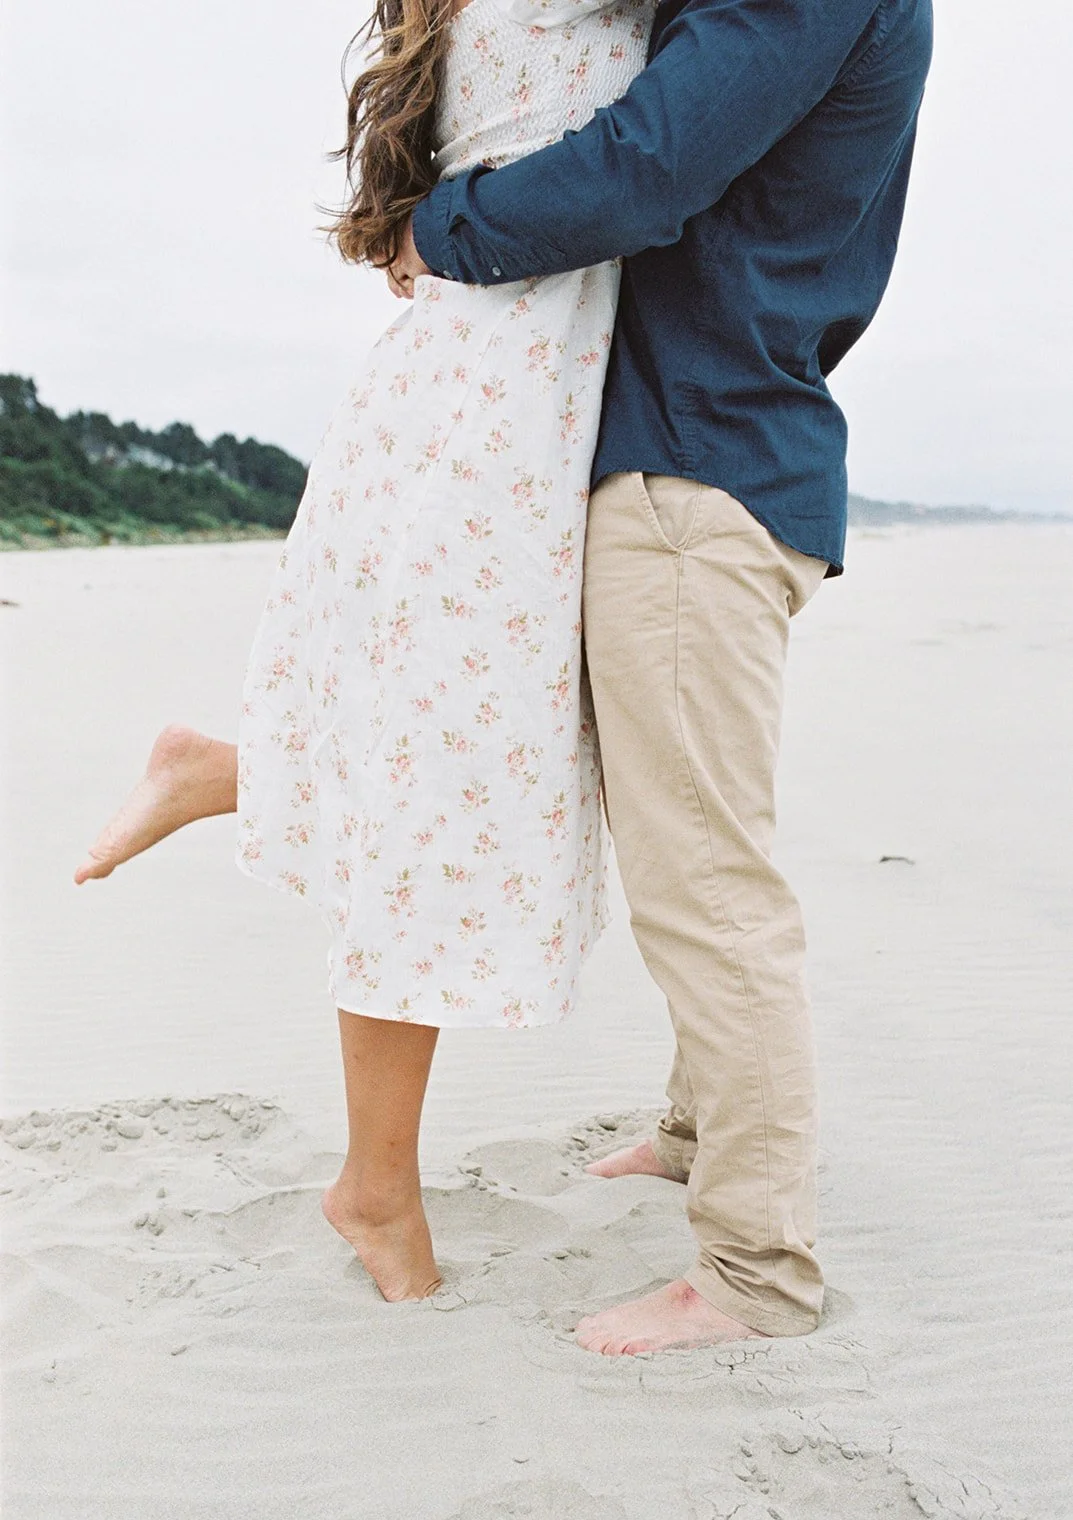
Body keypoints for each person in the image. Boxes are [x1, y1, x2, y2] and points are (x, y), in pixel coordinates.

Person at [75, 0, 654, 1311]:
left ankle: (214, 765)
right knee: (439, 798)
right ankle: (375, 1189)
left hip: (481, 399)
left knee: (439, 763)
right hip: (488, 426)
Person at [385, 0, 933, 1355]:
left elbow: (650, 163)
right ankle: (699, 1132)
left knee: (706, 886)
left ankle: (757, 1272)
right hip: (706, 458)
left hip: (699, 472)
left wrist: (435, 228)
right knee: (681, 847)